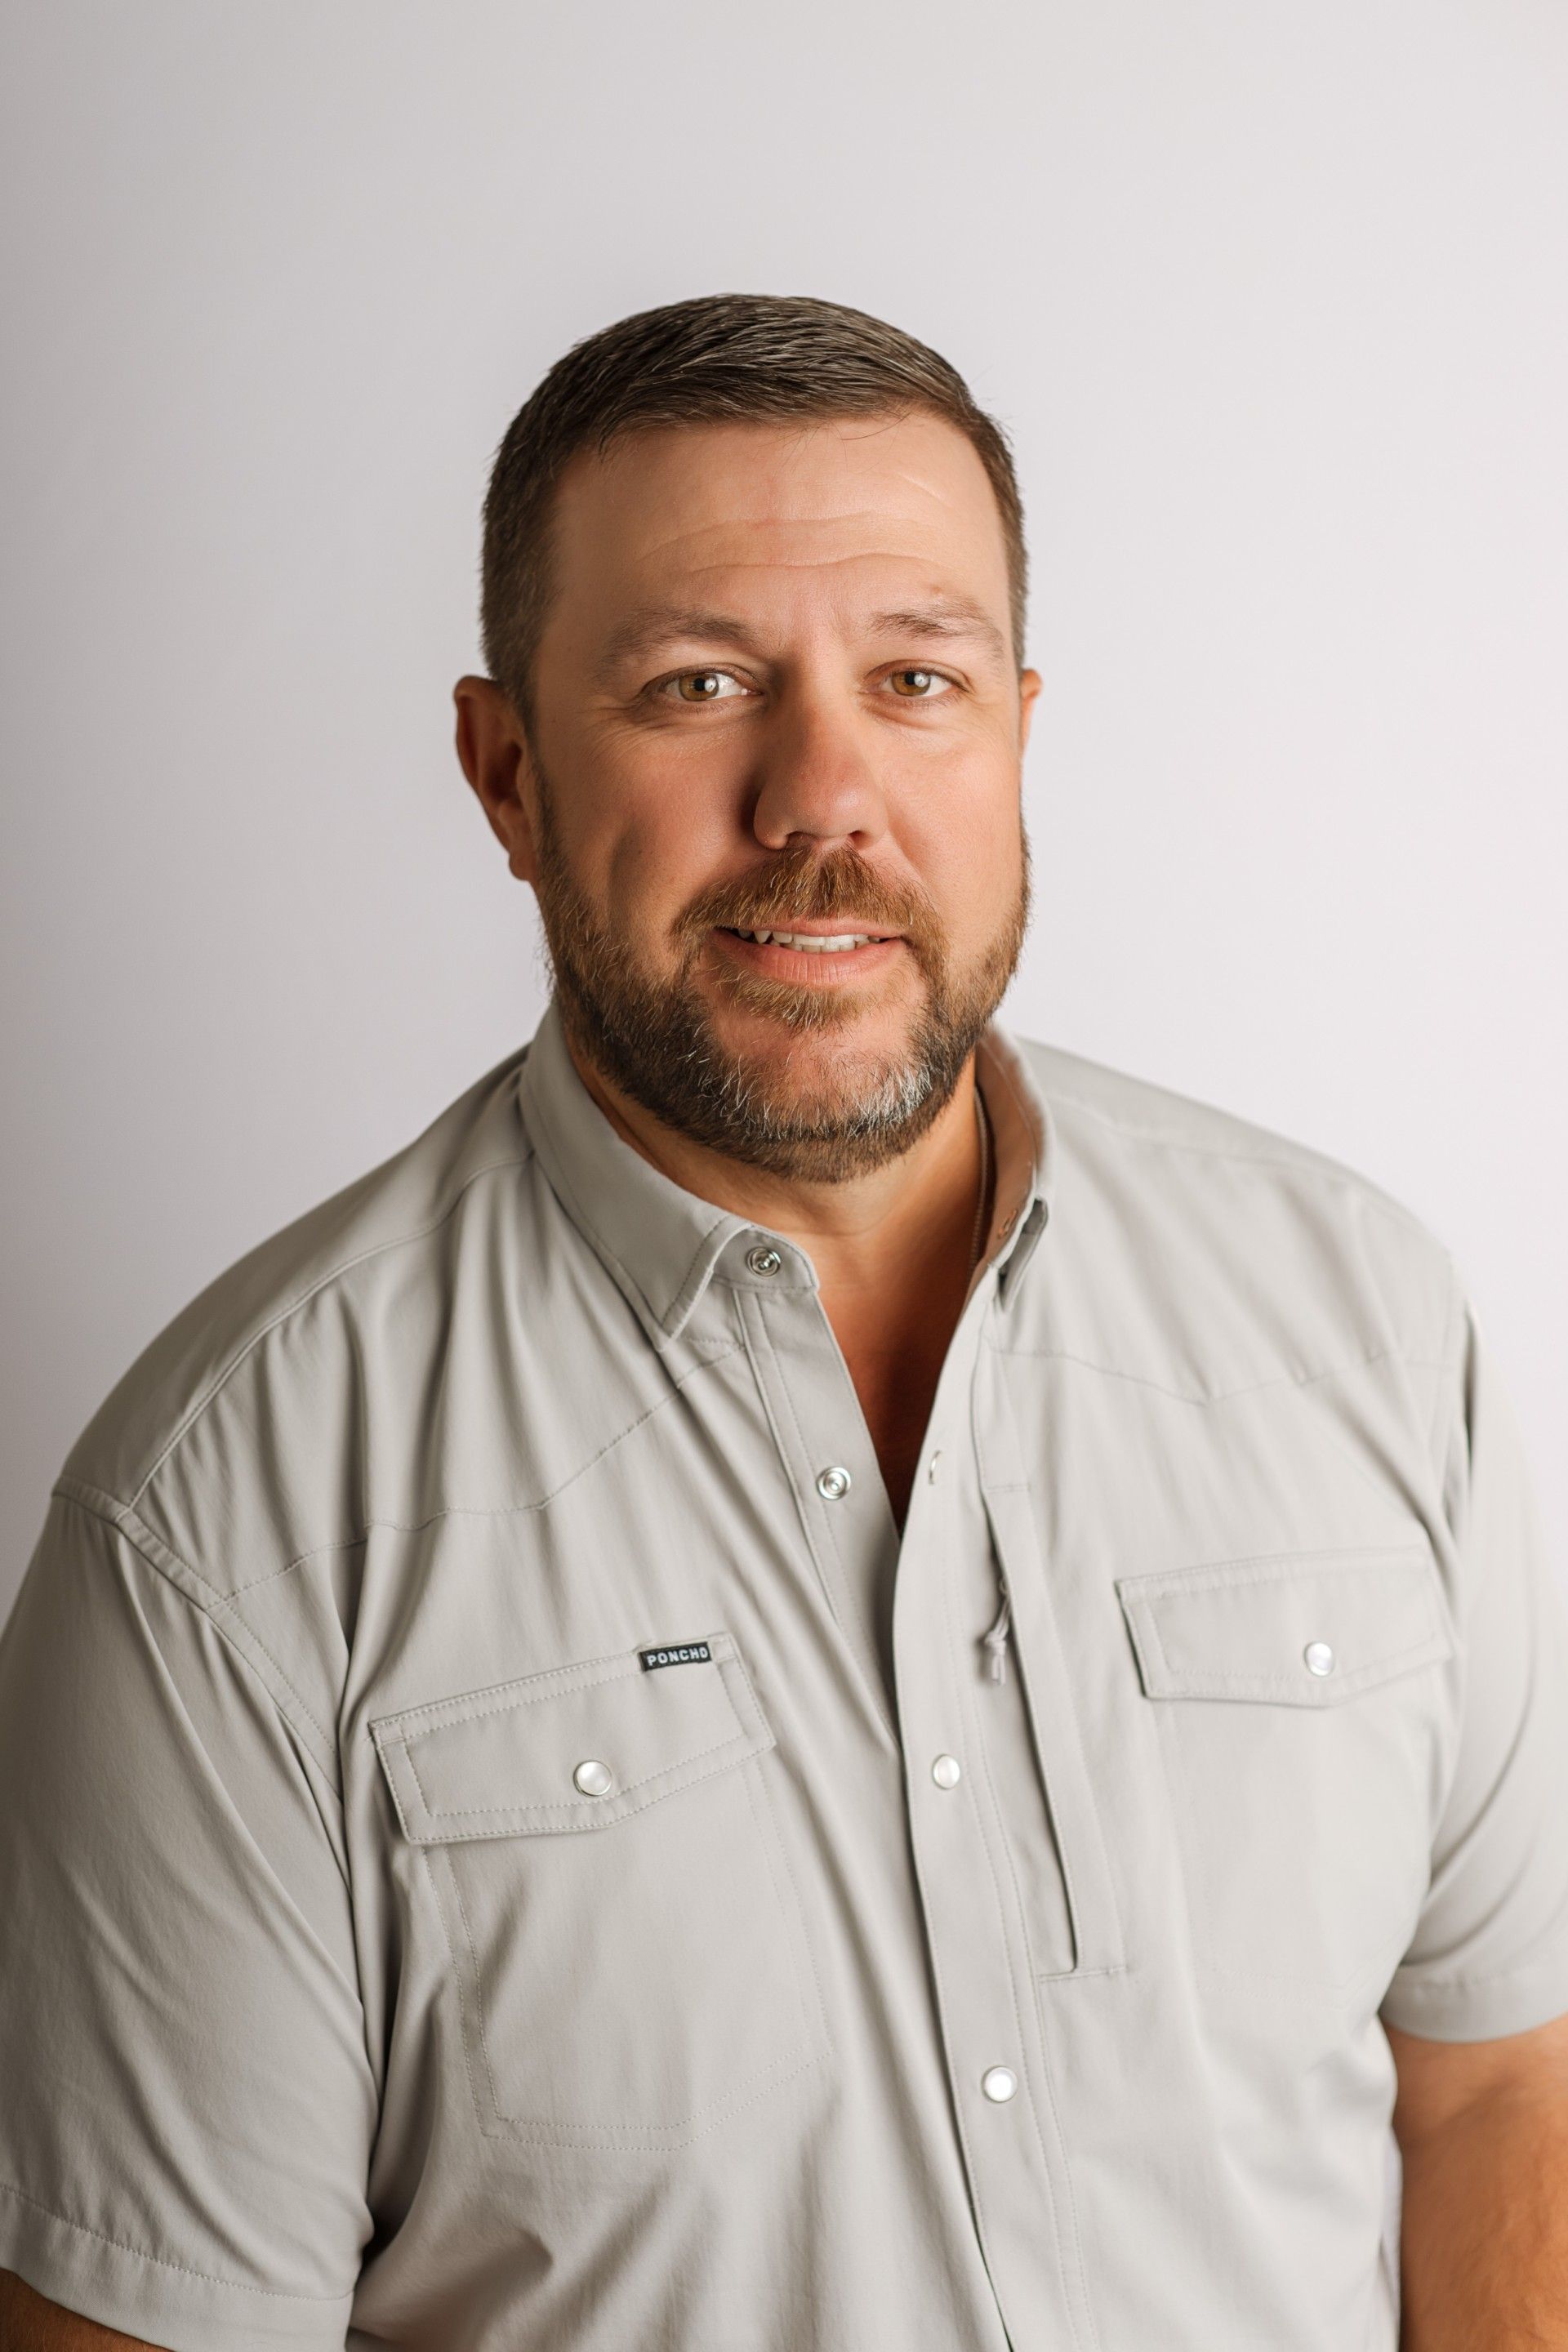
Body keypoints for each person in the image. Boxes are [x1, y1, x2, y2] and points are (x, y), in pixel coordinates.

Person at [2, 292, 1566, 2352]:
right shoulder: (227, 1527)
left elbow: (1499, 2085)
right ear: (508, 777)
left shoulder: (1361, 1316)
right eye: (699, 682)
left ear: (1016, 731)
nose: (823, 793)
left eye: (913, 679)